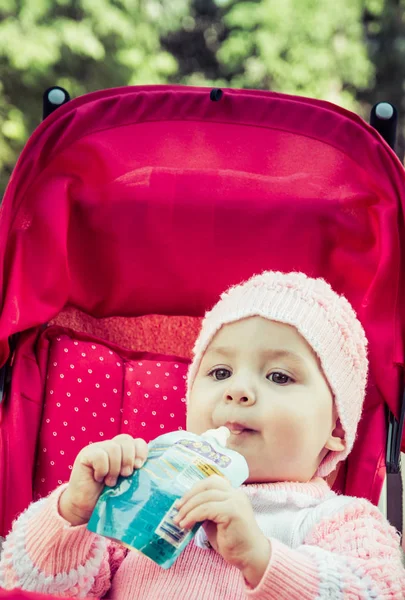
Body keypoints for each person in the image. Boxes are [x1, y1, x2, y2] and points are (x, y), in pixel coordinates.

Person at [1, 271, 404, 598]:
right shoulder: (144, 493)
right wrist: (74, 512)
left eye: (279, 376)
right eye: (220, 372)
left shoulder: (338, 522)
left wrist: (261, 558)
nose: (237, 390)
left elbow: (376, 590)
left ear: (335, 428)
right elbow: (23, 585)